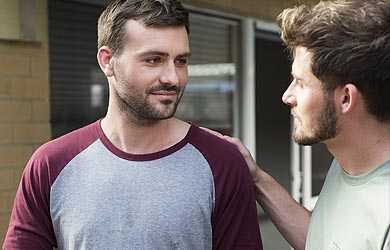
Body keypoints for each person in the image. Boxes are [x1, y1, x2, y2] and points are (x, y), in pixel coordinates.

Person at [2, 0, 263, 249]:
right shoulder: (51, 163)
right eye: (154, 60)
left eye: (180, 61)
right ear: (108, 61)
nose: (173, 77)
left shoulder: (222, 162)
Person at [204, 0, 390, 249]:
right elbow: (323, 243)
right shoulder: (348, 161)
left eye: (301, 83)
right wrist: (256, 178)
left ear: (345, 98)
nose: (287, 96)